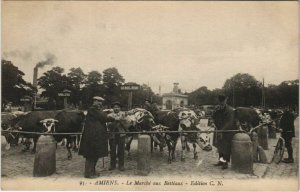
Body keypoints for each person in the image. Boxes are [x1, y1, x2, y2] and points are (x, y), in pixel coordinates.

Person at [78, 96, 114, 178]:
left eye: (101, 102)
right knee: (90, 155)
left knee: (95, 155)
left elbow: (102, 116)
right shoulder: (93, 109)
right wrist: (113, 117)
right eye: (98, 101)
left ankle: (93, 171)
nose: (100, 103)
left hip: (96, 137)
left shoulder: (96, 110)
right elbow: (104, 117)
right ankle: (88, 174)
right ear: (94, 101)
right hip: (92, 137)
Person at [213, 95, 237, 169]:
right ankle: (221, 161)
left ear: (226, 101)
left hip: (227, 131)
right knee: (220, 146)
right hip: (219, 129)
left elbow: (230, 122)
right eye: (220, 103)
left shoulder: (230, 110)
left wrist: (222, 130)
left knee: (226, 147)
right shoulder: (217, 109)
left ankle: (225, 163)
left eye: (222, 102)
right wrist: (214, 114)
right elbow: (215, 118)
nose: (221, 104)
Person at [107, 102, 128, 171]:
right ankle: (112, 165)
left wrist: (121, 120)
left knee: (121, 150)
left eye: (118, 107)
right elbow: (109, 125)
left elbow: (126, 125)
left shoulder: (124, 115)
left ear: (120, 108)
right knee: (112, 150)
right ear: (113, 108)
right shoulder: (109, 115)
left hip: (121, 135)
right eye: (115, 107)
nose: (116, 108)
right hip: (112, 135)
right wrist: (115, 120)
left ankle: (121, 165)